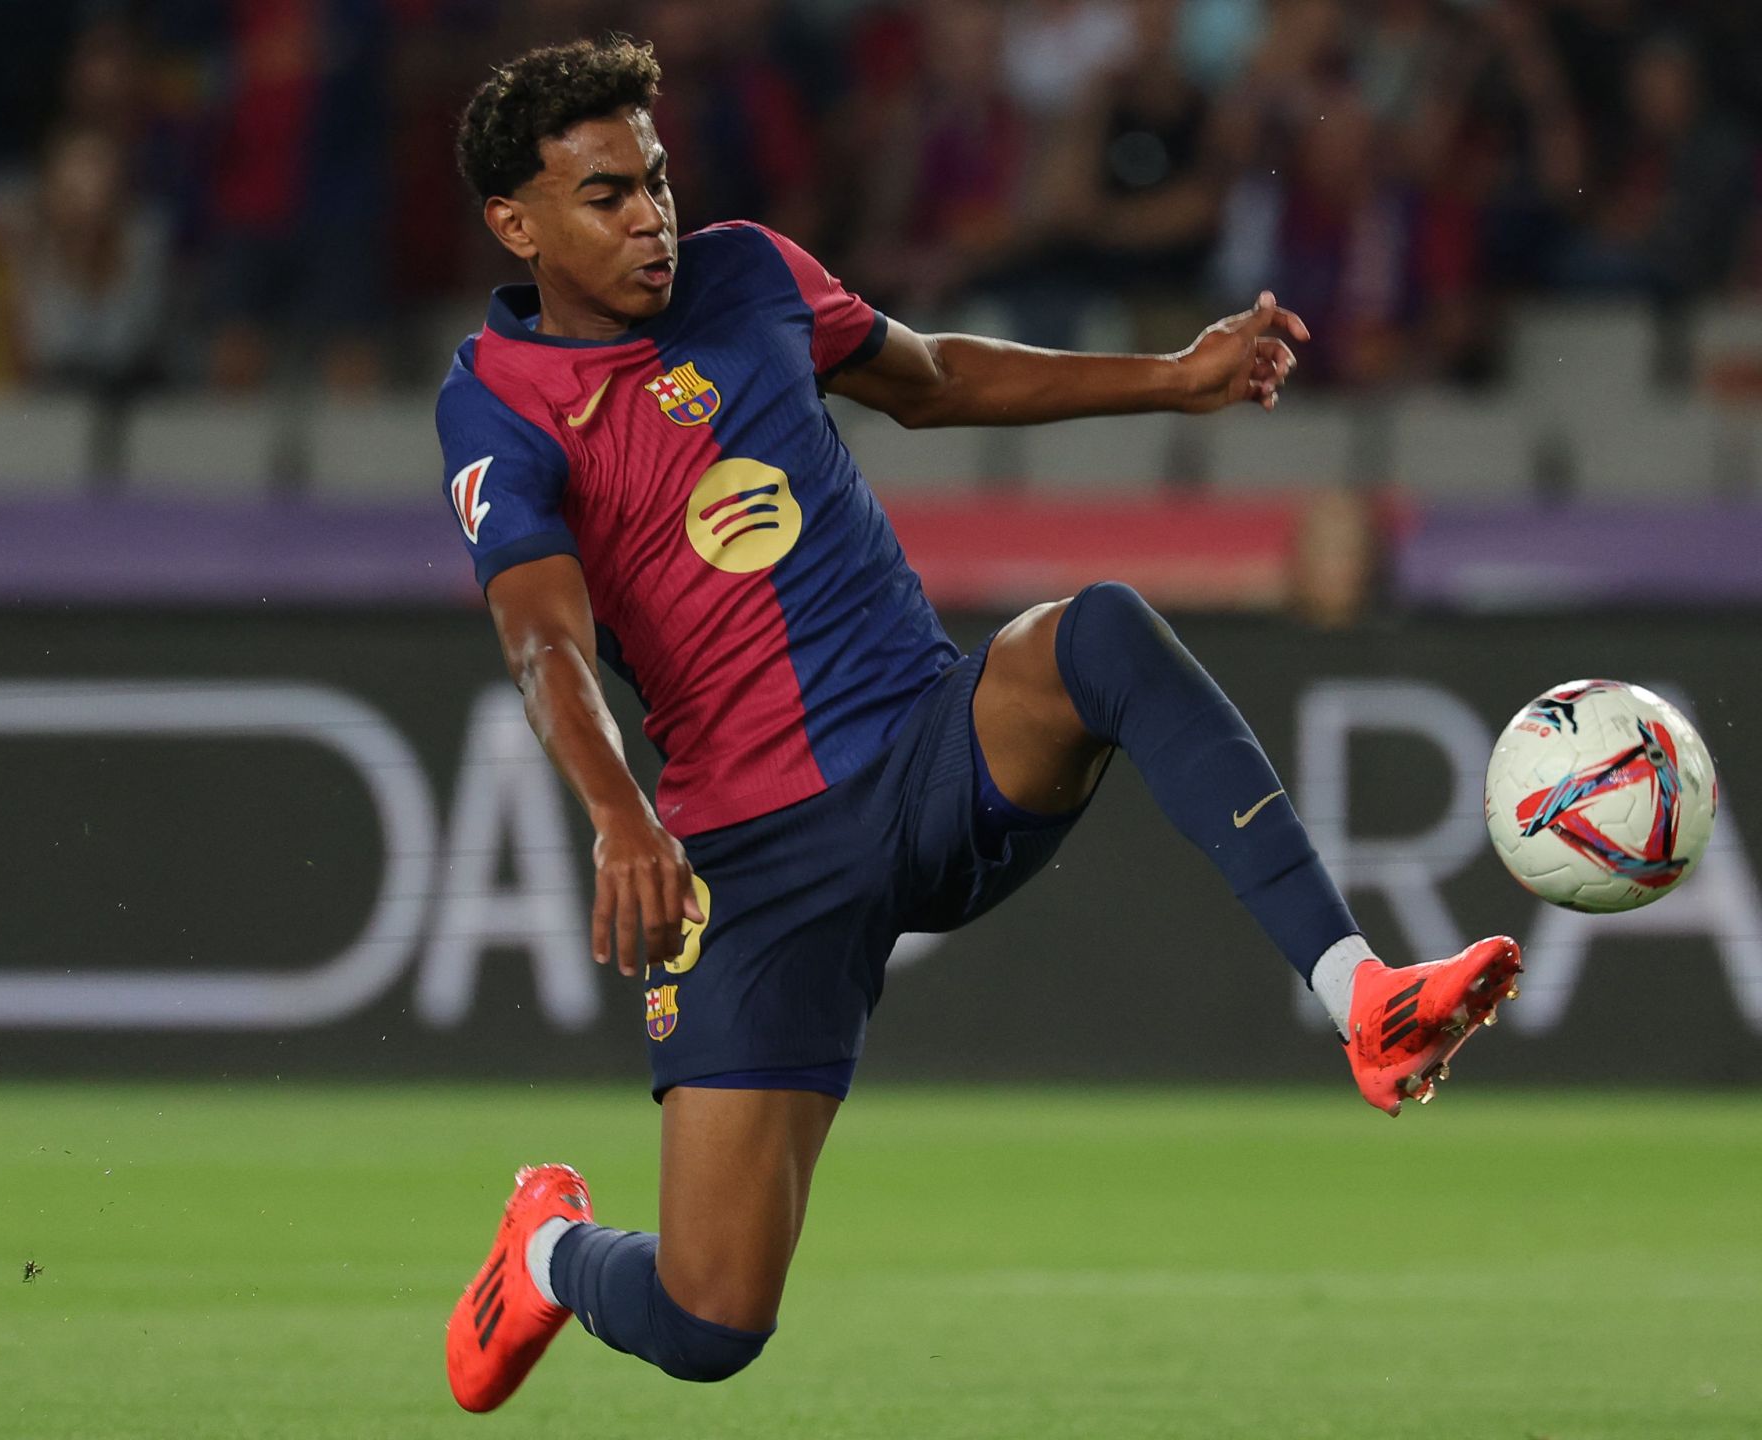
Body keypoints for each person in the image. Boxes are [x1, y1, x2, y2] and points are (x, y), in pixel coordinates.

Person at [434, 36, 1522, 1414]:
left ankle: (1363, 999)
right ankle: (547, 1250)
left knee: (1098, 633)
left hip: (925, 753)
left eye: (654, 178)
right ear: (517, 224)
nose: (650, 215)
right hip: (750, 866)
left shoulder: (749, 272)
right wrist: (617, 815)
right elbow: (541, 638)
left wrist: (1173, 377)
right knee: (711, 1322)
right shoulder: (496, 401)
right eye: (606, 196)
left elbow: (933, 377)